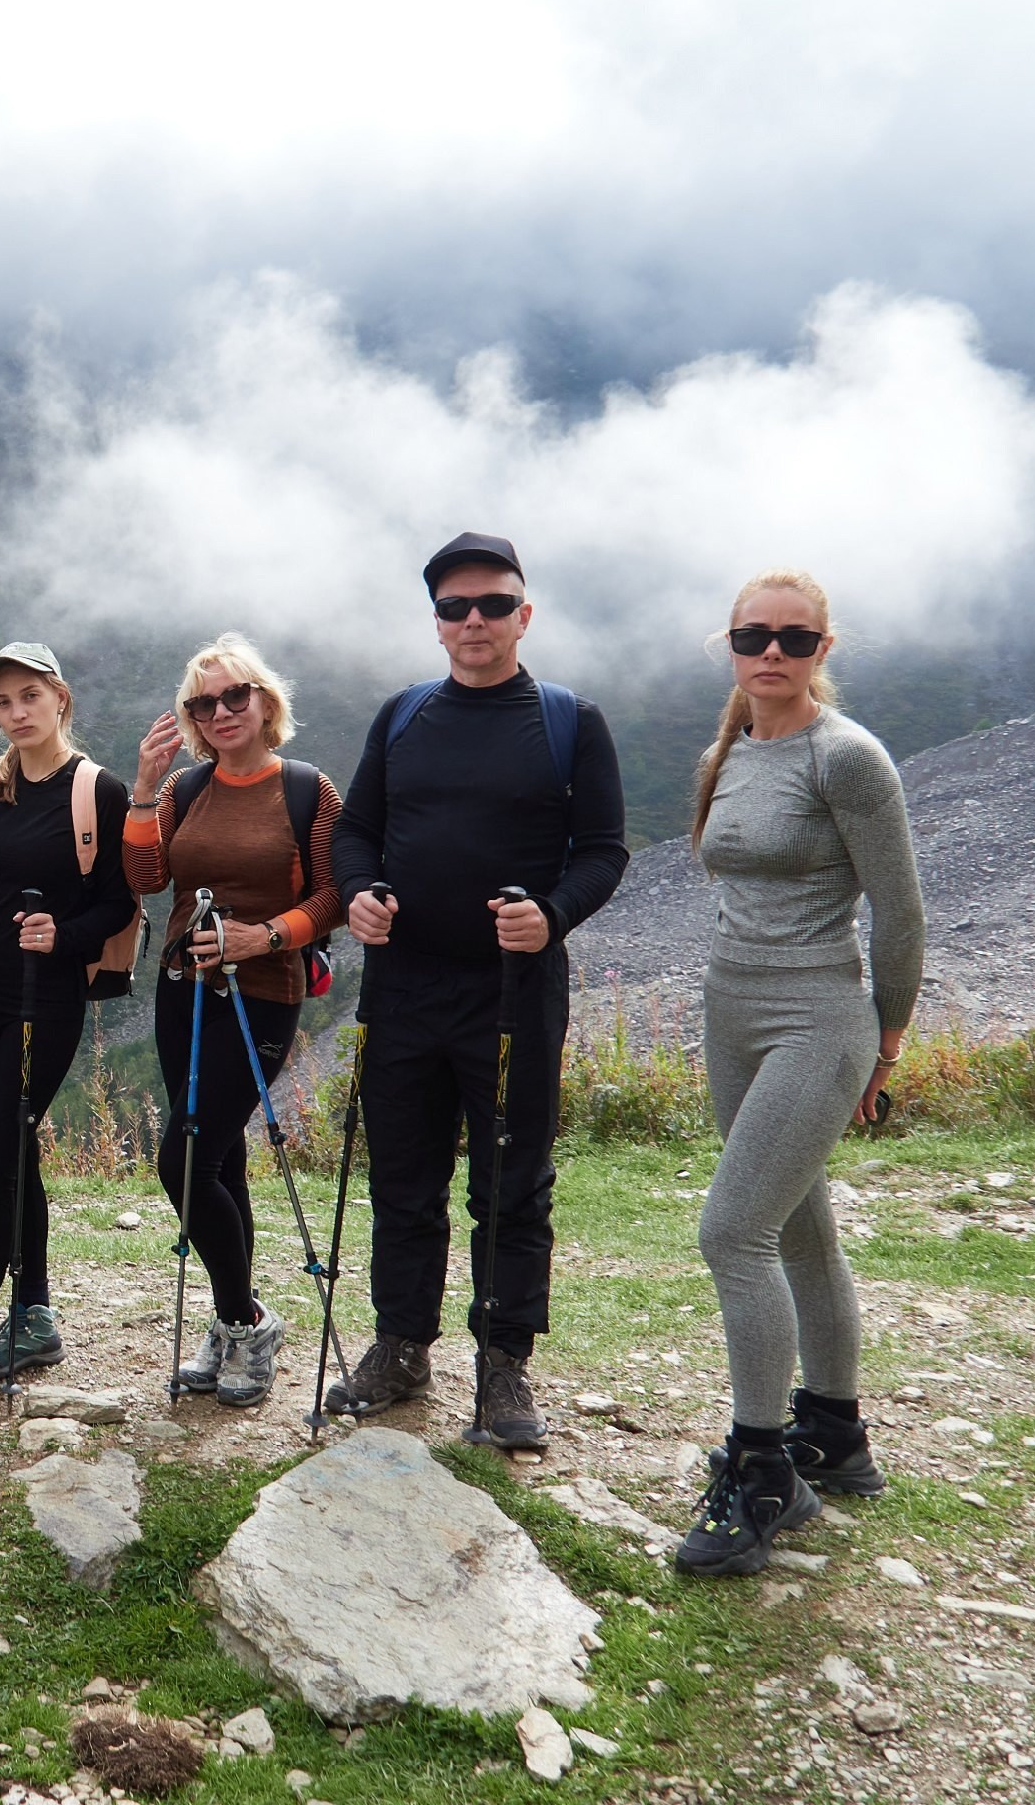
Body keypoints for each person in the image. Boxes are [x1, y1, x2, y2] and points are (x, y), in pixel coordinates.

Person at [327, 533, 628, 1448]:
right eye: (456, 608)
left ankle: (503, 1367)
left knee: (512, 1179)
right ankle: (402, 1344)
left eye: (493, 605)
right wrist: (360, 896)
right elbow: (357, 832)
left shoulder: (572, 720)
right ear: (437, 622)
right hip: (404, 984)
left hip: (513, 989)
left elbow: (605, 850)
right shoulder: (404, 715)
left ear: (522, 615)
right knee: (404, 1174)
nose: (474, 622)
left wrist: (554, 913)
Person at [675, 570, 923, 1575]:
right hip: (731, 1013)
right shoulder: (725, 753)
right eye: (751, 635)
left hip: (822, 1015)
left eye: (792, 637)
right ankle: (834, 1432)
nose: (769, 652)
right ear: (729, 644)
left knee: (733, 1231)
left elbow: (900, 915)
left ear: (823, 648)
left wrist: (889, 1042)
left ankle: (765, 1471)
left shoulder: (848, 759)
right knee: (798, 1226)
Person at [0, 643, 134, 1426]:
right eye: (3, 701)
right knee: (14, 1147)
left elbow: (119, 901)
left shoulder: (96, 791)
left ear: (60, 699)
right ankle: (35, 1315)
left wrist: (64, 937)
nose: (15, 711)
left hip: (50, 999)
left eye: (29, 695)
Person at [125, 635, 343, 1407]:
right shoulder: (184, 789)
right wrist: (146, 785)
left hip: (265, 992)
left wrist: (265, 936)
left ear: (264, 702)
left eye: (234, 696)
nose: (220, 712)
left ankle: (245, 1319)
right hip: (183, 987)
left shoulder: (309, 792)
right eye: (202, 703)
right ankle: (233, 1327)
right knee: (212, 1159)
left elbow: (335, 896)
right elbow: (149, 878)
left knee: (182, 1158)